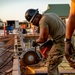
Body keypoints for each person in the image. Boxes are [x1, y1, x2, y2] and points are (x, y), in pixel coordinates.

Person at [25, 8, 66, 75]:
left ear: (36, 16)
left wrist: (35, 41)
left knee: (51, 66)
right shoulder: (51, 14)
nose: (34, 24)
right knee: (53, 62)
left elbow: (43, 38)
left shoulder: (42, 21)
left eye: (33, 22)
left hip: (60, 42)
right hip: (67, 39)